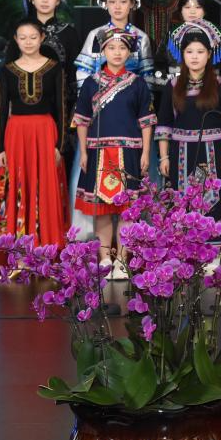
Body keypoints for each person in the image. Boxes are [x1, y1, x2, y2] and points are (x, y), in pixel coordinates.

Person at [73, 28, 155, 278]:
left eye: (122, 48)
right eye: (111, 48)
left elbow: (146, 121)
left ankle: (122, 259)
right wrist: (84, 152)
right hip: (98, 152)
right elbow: (82, 119)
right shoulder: (91, 82)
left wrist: (146, 152)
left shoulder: (137, 83)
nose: (117, 53)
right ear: (103, 51)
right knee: (102, 209)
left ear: (129, 53)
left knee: (127, 209)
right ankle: (105, 258)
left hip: (129, 152)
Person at [155, 20, 221, 225]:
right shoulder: (173, 85)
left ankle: (216, 242)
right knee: (181, 201)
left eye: (200, 52)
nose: (194, 56)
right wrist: (164, 157)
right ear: (182, 54)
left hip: (214, 151)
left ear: (209, 54)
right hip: (180, 152)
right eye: (189, 51)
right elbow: (164, 124)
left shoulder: (220, 84)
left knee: (216, 201)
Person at [0, 20, 68, 246]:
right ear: (16, 40)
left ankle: (46, 243)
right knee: (17, 183)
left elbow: (61, 109)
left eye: (33, 37)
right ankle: (19, 244)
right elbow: (1, 111)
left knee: (45, 185)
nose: (28, 42)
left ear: (42, 38)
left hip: (45, 133)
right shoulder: (7, 70)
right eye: (23, 37)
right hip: (16, 134)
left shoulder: (54, 68)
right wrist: (0, 149)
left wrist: (59, 146)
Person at [8, 0, 80, 102]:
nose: (45, 0)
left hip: (61, 100)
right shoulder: (21, 30)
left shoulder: (69, 32)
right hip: (24, 98)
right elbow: (9, 66)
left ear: (58, 0)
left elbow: (74, 71)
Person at [75, 0, 154, 88]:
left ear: (132, 3)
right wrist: (88, 95)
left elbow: (147, 76)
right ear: (106, 3)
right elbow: (83, 71)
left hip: (131, 96)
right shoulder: (96, 35)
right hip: (98, 96)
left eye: (123, 1)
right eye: (112, 1)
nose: (117, 6)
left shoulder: (140, 37)